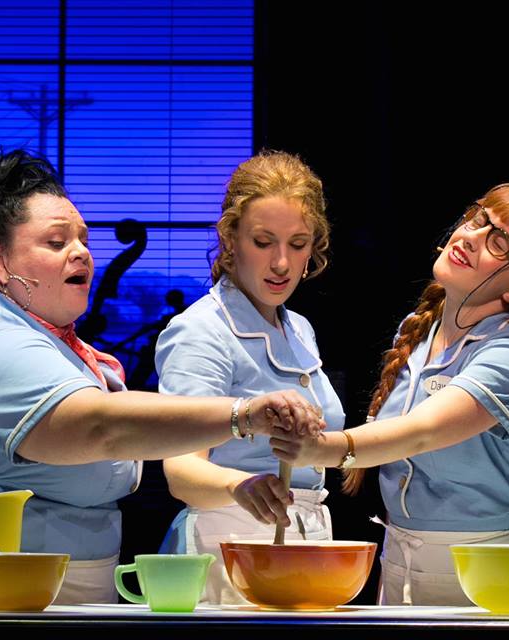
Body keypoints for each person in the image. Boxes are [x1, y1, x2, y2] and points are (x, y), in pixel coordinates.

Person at [0, 148, 322, 606]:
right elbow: (97, 426)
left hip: (42, 586)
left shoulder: (54, 342)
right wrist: (243, 413)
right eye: (56, 241)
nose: (82, 252)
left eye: (83, 238)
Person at [273, 183, 509, 605]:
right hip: (398, 559)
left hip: (489, 574)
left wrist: (322, 449)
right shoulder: (416, 331)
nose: (472, 237)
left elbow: (422, 431)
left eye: (500, 243)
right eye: (479, 219)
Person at [155, 151, 346, 603]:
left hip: (307, 543)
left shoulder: (300, 328)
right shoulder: (201, 330)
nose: (281, 262)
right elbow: (180, 471)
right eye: (264, 241)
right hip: (226, 543)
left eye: (298, 244)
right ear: (230, 237)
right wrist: (239, 486)